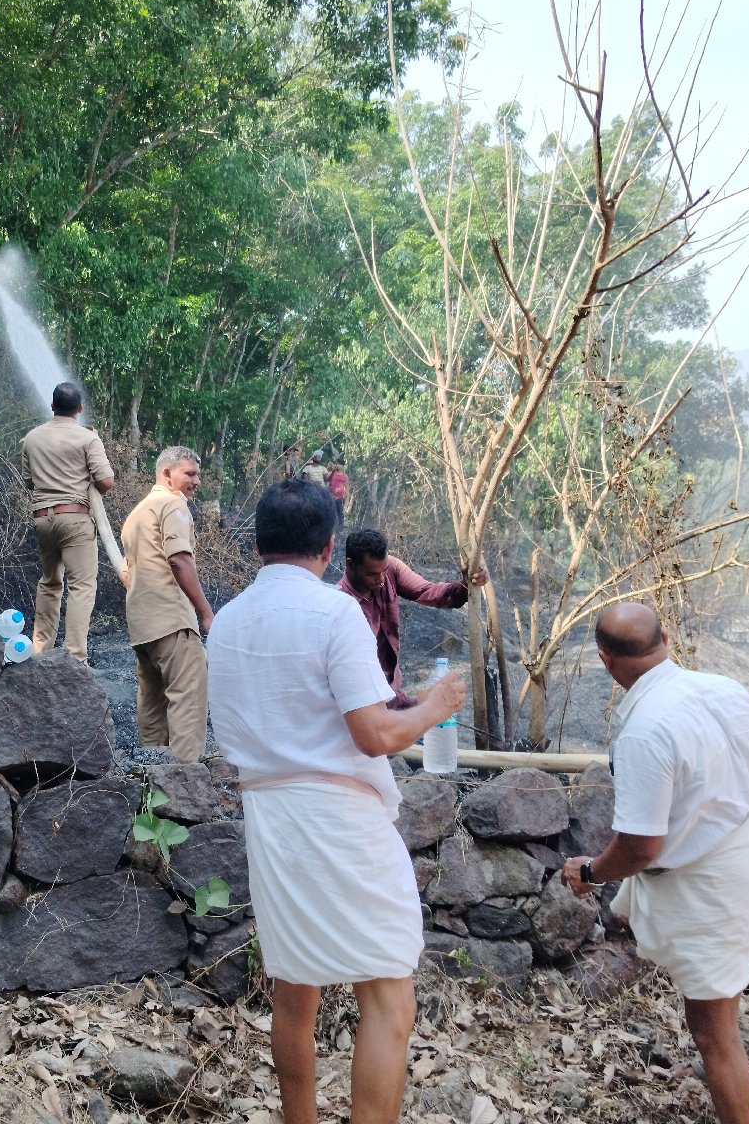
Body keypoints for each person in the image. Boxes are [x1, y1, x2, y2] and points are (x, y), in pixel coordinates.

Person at [208, 479, 466, 1124]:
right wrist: (435, 707)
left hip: (269, 818)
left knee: (295, 992)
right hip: (339, 817)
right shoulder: (334, 612)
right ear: (328, 549)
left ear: (257, 543)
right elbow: (375, 732)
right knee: (387, 994)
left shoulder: (228, 621)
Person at [563, 603, 749, 1124]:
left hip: (710, 874)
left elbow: (641, 848)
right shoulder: (722, 688)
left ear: (604, 660)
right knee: (710, 1009)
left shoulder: (644, 732)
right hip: (746, 842)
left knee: (714, 1031)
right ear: (665, 638)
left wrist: (590, 872)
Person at [119, 445, 215, 762]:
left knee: (153, 708)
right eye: (189, 473)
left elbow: (126, 573)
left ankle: (152, 783)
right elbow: (179, 561)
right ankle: (186, 785)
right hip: (172, 621)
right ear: (166, 473)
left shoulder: (135, 516)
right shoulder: (173, 505)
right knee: (188, 698)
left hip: (142, 627)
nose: (196, 481)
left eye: (197, 474)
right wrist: (205, 613)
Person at [19, 382, 115, 664]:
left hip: (43, 519)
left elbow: (29, 482)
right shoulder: (87, 438)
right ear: (80, 409)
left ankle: (41, 651)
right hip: (75, 519)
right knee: (82, 586)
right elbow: (106, 482)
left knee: (49, 582)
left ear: (52, 406)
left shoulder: (31, 439)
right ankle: (75, 658)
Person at [338, 529, 487, 709]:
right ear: (350, 566)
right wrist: (416, 707)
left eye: (384, 570)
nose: (382, 579)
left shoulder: (391, 568)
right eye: (372, 574)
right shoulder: (340, 606)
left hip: (392, 691)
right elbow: (359, 678)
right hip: (365, 702)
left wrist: (467, 583)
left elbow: (429, 592)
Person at [327, 461, 349, 527]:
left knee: (340, 513)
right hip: (331, 496)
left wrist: (347, 501)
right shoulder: (332, 473)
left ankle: (340, 530)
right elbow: (327, 480)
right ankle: (331, 528)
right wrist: (330, 468)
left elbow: (347, 487)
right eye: (337, 464)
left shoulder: (345, 476)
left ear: (342, 466)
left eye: (339, 464)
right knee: (331, 512)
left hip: (340, 497)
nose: (338, 465)